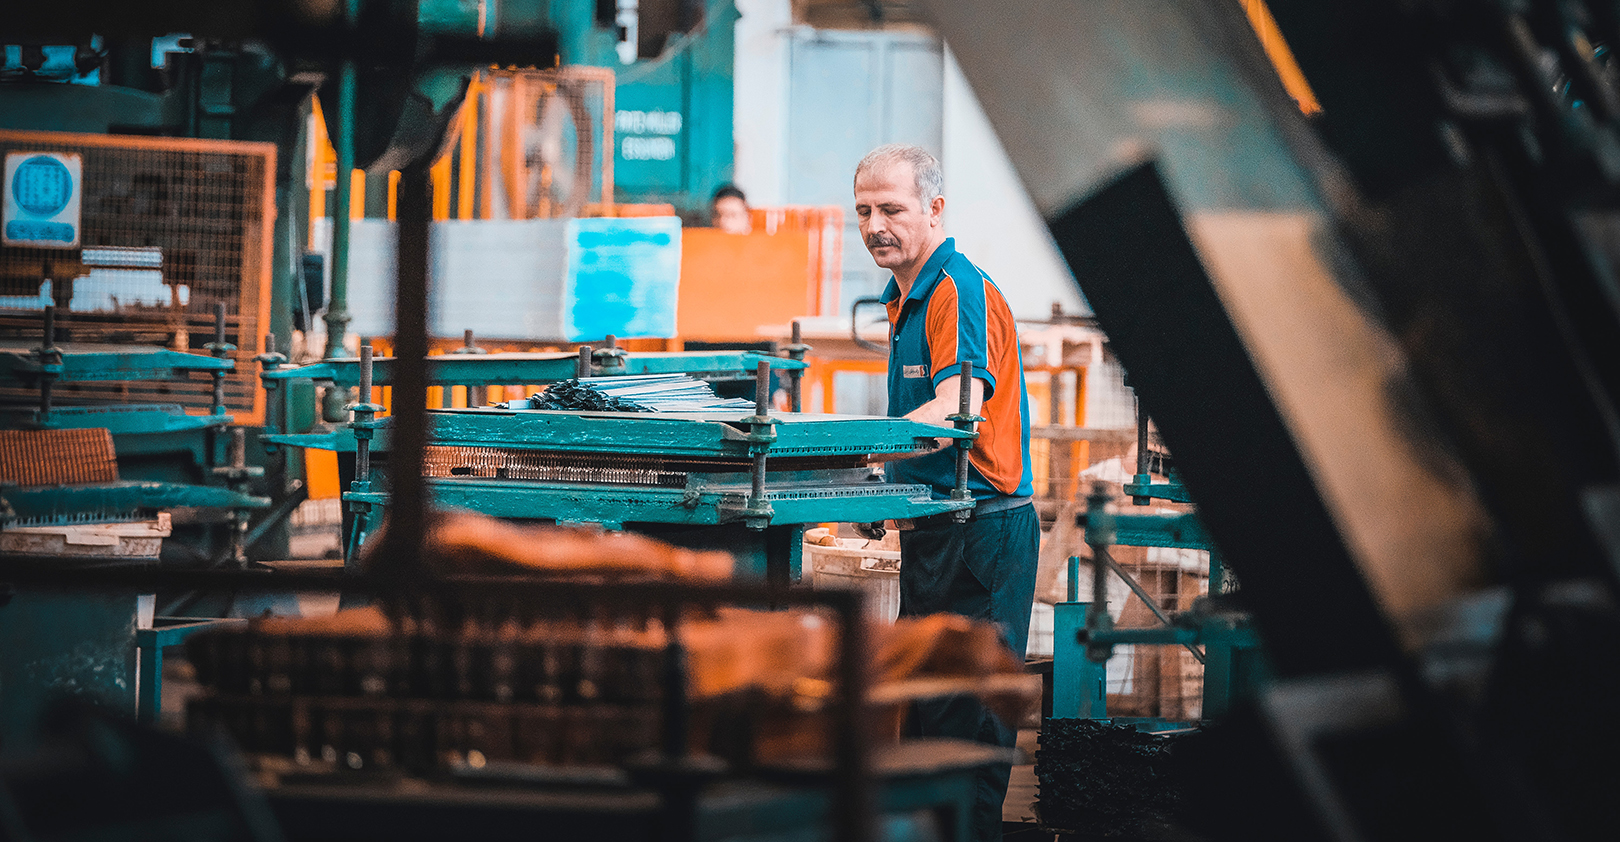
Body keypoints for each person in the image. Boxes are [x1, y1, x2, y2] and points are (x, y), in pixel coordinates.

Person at [853, 143, 1037, 842]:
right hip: (937, 529)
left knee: (970, 724)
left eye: (892, 209)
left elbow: (958, 409)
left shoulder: (956, 289)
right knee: (928, 715)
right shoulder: (904, 299)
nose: (876, 225)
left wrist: (863, 458)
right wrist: (885, 488)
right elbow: (921, 434)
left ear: (933, 210)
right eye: (864, 211)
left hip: (983, 533)